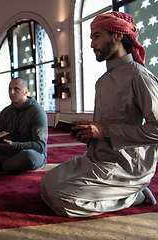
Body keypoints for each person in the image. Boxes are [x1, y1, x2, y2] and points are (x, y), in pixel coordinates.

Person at [40, 12, 158, 218]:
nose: (92, 44)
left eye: (96, 36)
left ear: (118, 36)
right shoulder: (102, 81)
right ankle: (118, 193)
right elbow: (104, 128)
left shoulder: (139, 76)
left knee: (62, 199)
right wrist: (88, 132)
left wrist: (105, 131)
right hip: (96, 158)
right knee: (46, 184)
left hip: (125, 165)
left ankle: (133, 195)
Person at [0, 77, 48, 175]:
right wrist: (2, 137)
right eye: (9, 88)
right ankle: (14, 165)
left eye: (16, 89)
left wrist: (14, 145)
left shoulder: (37, 112)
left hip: (30, 153)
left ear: (25, 92)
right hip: (10, 150)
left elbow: (40, 146)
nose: (11, 92)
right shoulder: (6, 112)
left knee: (29, 156)